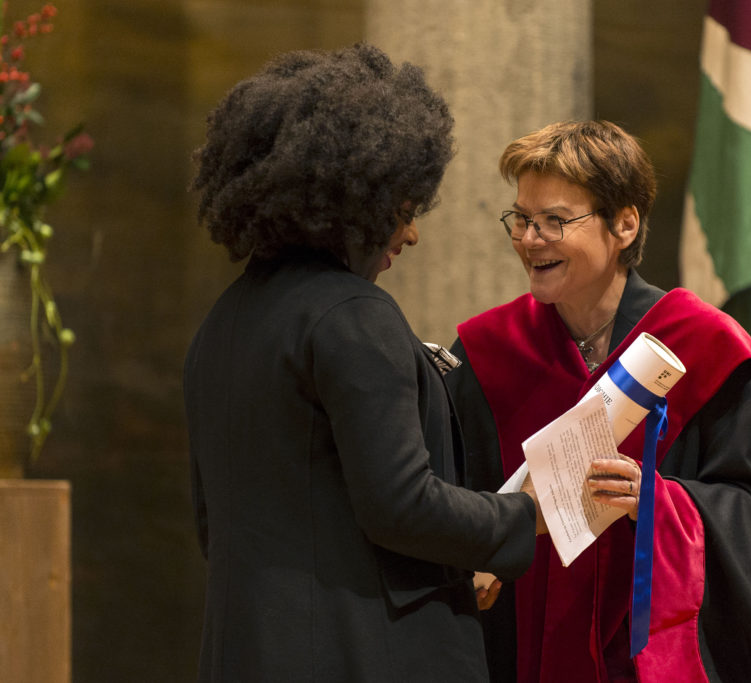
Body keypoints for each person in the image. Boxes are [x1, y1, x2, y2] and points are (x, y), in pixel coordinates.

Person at [184, 44, 544, 682]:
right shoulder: (354, 313)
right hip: (360, 654)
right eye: (404, 209)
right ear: (356, 196)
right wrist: (526, 515)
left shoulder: (222, 322)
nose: (410, 234)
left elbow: (215, 520)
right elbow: (401, 505)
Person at [444, 120, 751, 682]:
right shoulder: (488, 355)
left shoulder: (703, 351)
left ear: (624, 224)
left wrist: (660, 504)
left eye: (555, 221)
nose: (529, 240)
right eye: (522, 219)